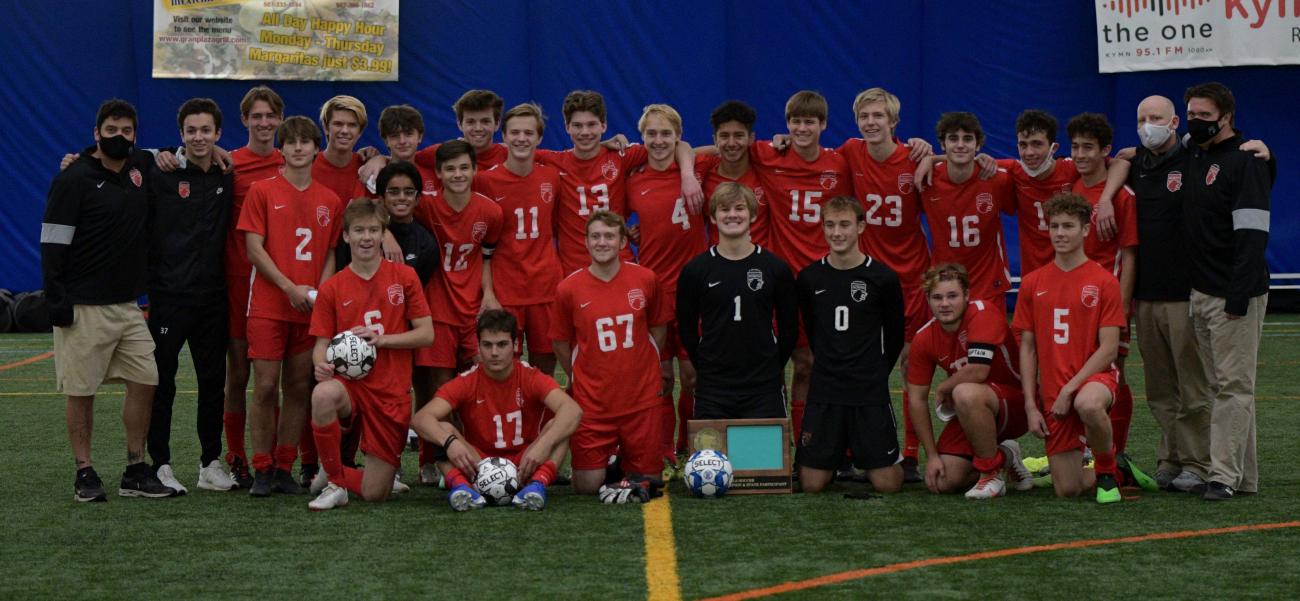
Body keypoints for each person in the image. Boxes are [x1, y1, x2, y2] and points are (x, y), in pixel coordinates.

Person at [42, 98, 173, 501]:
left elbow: (169, 154)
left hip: (129, 306)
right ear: (96, 133)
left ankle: (135, 469)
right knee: (82, 391)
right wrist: (56, 298)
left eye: (127, 131)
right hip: (83, 306)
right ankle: (85, 471)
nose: (119, 138)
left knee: (146, 381)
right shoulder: (73, 179)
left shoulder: (140, 167)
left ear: (135, 135)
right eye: (111, 131)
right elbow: (53, 242)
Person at [1013, 194, 1148, 504]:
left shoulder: (1103, 282)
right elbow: (1028, 348)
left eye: (1069, 226)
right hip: (1053, 392)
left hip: (1093, 380)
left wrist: (1069, 391)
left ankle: (1104, 472)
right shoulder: (1033, 283)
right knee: (1068, 489)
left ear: (1086, 231)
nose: (1060, 233)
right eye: (1055, 226)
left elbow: (1109, 349)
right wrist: (1032, 406)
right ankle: (1117, 470)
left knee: (1087, 404)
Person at [237, 116, 343, 497]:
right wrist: (287, 287)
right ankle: (261, 466)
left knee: (298, 387)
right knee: (265, 386)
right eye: (292, 142)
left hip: (308, 308)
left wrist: (320, 294)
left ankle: (284, 466)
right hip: (269, 304)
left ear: (317, 147)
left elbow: (330, 253)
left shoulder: (329, 200)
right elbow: (253, 249)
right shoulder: (262, 191)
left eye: (306, 142)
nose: (299, 148)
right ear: (282, 150)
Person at [305, 200, 434, 510]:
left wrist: (383, 340)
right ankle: (336, 481)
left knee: (376, 493)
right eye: (359, 230)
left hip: (390, 390)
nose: (366, 237)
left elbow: (426, 334)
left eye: (373, 230)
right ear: (346, 236)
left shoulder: (404, 277)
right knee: (323, 394)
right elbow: (321, 343)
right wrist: (320, 365)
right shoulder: (332, 287)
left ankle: (336, 471)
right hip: (350, 387)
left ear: (382, 234)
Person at [1181, 82, 1274, 501]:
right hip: (1201, 292)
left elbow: (1253, 237)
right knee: (1225, 386)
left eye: (1204, 116)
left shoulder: (1245, 161)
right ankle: (1243, 477)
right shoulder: (1196, 153)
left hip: (1234, 295)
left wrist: (1238, 296)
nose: (1196, 122)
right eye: (1192, 115)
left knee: (1233, 387)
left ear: (1227, 117)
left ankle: (1221, 477)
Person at [837, 87, 934, 481]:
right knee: (860, 365)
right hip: (868, 280)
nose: (871, 122)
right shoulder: (851, 151)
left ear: (894, 122)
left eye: (879, 116)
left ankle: (909, 455)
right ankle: (850, 448)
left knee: (912, 367)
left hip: (910, 280)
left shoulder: (915, 159)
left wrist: (933, 154)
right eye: (865, 116)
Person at [144, 97, 236, 494]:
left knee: (213, 381)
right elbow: (121, 154)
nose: (199, 137)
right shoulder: (159, 170)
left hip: (214, 297)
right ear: (181, 134)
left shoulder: (227, 172)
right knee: (162, 382)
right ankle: (160, 464)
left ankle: (209, 463)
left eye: (206, 131)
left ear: (218, 133)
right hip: (169, 296)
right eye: (191, 131)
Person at [748, 90, 851, 437]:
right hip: (781, 280)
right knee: (772, 363)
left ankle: (807, 441)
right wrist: (686, 168)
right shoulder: (767, 154)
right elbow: (720, 149)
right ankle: (774, 444)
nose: (802, 128)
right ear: (787, 123)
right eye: (795, 121)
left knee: (811, 365)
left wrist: (927, 151)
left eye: (809, 121)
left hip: (825, 279)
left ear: (823, 124)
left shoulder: (840, 162)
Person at [549, 211, 670, 502]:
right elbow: (560, 343)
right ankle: (615, 465)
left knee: (650, 482)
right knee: (587, 487)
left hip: (640, 401)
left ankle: (625, 461)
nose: (602, 242)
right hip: (594, 404)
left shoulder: (645, 279)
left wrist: (645, 365)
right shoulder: (569, 288)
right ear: (586, 242)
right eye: (595, 236)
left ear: (622, 241)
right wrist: (580, 373)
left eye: (609, 236)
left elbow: (658, 329)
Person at [412, 310, 582, 511]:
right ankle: (462, 488)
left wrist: (543, 444)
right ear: (479, 346)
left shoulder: (530, 377)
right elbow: (421, 418)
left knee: (558, 427)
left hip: (526, 463)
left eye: (502, 344)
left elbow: (573, 410)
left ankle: (537, 486)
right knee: (441, 429)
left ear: (516, 345)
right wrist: (449, 443)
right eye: (487, 345)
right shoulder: (467, 381)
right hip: (478, 465)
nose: (494, 353)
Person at [794, 196, 904, 493]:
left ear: (861, 227)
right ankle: (836, 454)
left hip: (867, 389)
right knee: (812, 485)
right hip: (826, 388)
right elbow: (814, 329)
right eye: (830, 225)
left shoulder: (882, 278)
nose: (837, 232)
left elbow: (895, 336)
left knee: (888, 485)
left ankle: (867, 456)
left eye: (844, 224)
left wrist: (875, 372)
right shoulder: (809, 277)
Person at [535, 90, 702, 275]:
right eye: (577, 126)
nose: (585, 132)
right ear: (566, 127)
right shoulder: (554, 161)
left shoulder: (622, 157)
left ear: (604, 125)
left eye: (591, 125)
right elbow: (510, 150)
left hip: (621, 266)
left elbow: (679, 146)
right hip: (576, 269)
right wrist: (604, 142)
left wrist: (688, 175)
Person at [626, 103, 710, 471]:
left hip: (694, 291)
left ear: (677, 135)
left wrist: (688, 172)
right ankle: (659, 447)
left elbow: (718, 148)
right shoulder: (633, 178)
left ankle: (687, 443)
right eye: (652, 134)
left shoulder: (696, 168)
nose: (659, 141)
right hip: (653, 293)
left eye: (666, 134)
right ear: (642, 138)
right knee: (660, 376)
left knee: (693, 375)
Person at [905, 263, 1032, 499]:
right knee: (943, 481)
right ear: (928, 299)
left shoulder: (983, 312)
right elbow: (916, 399)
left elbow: (978, 371)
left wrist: (944, 386)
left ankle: (990, 473)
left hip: (1019, 404)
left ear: (966, 295)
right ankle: (1005, 455)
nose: (944, 304)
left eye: (952, 296)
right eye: (937, 297)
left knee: (964, 392)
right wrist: (931, 456)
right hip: (973, 410)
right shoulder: (924, 337)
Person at [417, 140, 503, 484]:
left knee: (476, 387)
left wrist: (489, 292)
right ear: (438, 174)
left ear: (475, 170)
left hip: (472, 312)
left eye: (464, 168)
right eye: (450, 169)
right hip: (435, 311)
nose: (457, 174)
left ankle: (477, 457)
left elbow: (487, 255)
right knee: (439, 389)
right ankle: (433, 459)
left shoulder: (490, 212)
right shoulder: (425, 207)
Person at [677, 183, 798, 420]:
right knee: (712, 457)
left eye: (739, 208)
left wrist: (771, 365)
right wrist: (706, 365)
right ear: (713, 217)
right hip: (713, 385)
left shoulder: (775, 268)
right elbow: (687, 328)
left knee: (764, 458)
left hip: (763, 385)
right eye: (724, 209)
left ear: (752, 214)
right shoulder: (696, 270)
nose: (732, 215)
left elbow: (789, 328)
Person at [224, 86, 286, 488]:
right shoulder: (228, 164)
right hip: (236, 282)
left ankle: (279, 461)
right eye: (256, 116)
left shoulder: (293, 160)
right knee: (240, 375)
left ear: (280, 120)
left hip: (283, 285)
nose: (264, 123)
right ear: (244, 120)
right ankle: (236, 457)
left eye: (270, 116)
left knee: (277, 379)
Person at [1067, 113, 1139, 456]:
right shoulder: (1072, 187)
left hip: (1109, 305)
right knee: (1080, 373)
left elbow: (1129, 255)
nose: (1080, 154)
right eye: (1075, 147)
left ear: (1105, 151)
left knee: (1115, 376)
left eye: (1088, 147)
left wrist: (1122, 306)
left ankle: (1116, 455)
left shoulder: (1122, 196)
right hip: (1078, 302)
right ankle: (1082, 450)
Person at [475, 103, 564, 379]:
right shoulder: (485, 181)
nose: (521, 138)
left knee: (545, 370)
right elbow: (480, 246)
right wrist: (488, 291)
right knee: (501, 368)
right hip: (506, 289)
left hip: (546, 287)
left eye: (528, 132)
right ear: (504, 137)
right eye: (515, 132)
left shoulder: (551, 176)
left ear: (539, 138)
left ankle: (538, 423)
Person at [921, 112, 1014, 307]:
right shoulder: (926, 178)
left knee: (988, 337)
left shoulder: (997, 178)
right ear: (943, 144)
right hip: (944, 283)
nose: (961, 144)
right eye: (953, 138)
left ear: (978, 145)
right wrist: (928, 159)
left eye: (968, 139)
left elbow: (1030, 168)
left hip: (989, 283)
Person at [695, 100, 772, 248]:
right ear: (715, 140)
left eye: (738, 135)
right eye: (724, 136)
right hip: (718, 268)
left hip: (760, 268)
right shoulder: (703, 177)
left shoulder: (766, 171)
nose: (731, 143)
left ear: (751, 138)